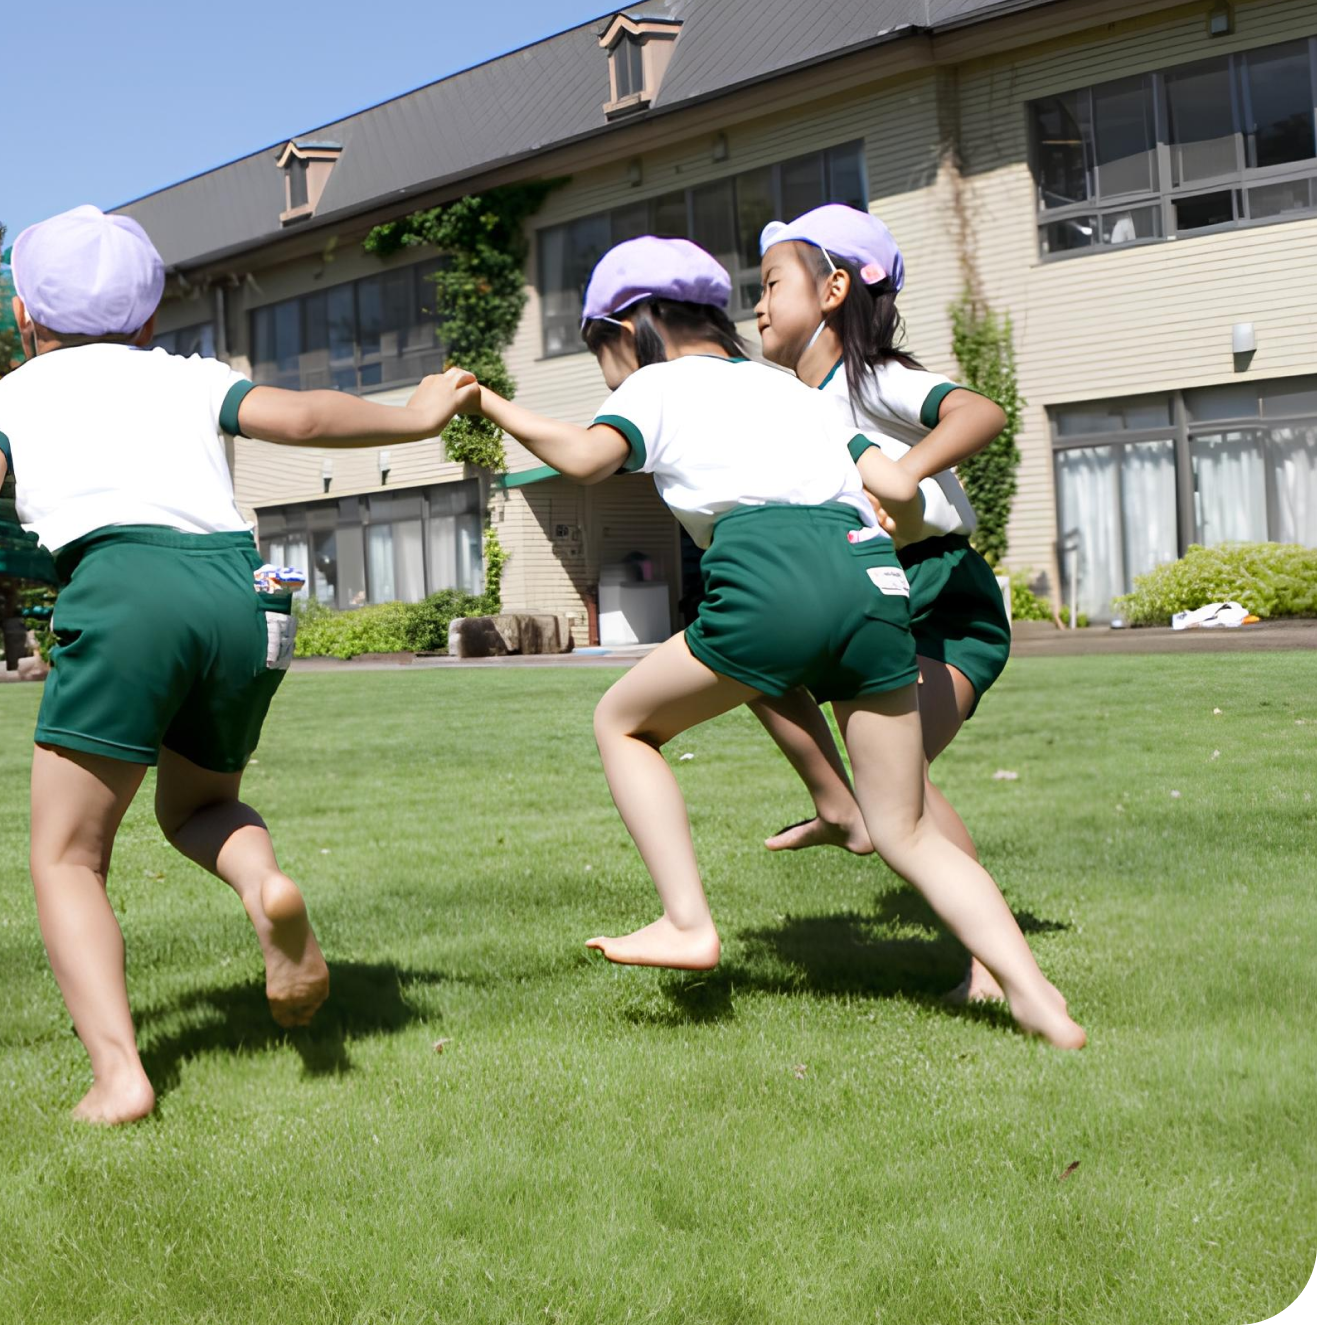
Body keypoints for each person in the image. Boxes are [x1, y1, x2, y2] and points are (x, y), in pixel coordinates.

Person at [0, 205, 481, 1124]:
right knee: (203, 806)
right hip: (241, 591)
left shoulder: (13, 394)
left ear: (24, 317)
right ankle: (266, 888)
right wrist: (416, 417)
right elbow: (299, 416)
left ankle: (120, 1076)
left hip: (125, 584)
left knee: (67, 857)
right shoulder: (186, 377)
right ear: (147, 320)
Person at [461, 236, 1082, 1048]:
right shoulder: (793, 390)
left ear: (635, 324)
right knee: (907, 828)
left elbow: (584, 458)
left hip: (767, 572)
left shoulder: (656, 384)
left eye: (598, 346)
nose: (604, 367)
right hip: (871, 582)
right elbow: (895, 485)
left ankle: (687, 922)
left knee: (624, 722)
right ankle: (1034, 996)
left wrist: (488, 404)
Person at [743, 205, 1014, 1005]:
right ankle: (841, 806)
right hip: (876, 594)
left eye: (770, 284)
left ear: (832, 290)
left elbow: (980, 412)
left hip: (944, 600)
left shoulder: (873, 378)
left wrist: (904, 476)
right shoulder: (785, 401)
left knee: (904, 795)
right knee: (746, 655)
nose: (755, 304)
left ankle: (995, 969)